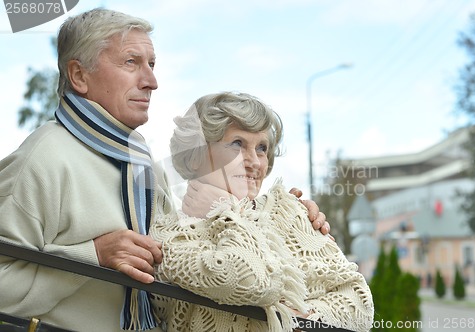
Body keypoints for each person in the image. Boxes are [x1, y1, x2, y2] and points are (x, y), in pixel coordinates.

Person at [0, 9, 328, 331]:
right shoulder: (43, 159)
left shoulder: (142, 164)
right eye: (131, 62)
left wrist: (287, 220)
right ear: (79, 76)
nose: (152, 81)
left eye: (152, 65)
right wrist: (94, 255)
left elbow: (187, 255)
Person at [149, 92, 375, 332]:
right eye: (237, 144)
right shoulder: (171, 237)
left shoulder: (289, 211)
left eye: (262, 148)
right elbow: (253, 281)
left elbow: (360, 306)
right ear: (196, 155)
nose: (255, 162)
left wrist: (295, 318)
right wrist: (227, 212)